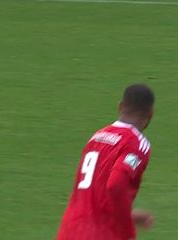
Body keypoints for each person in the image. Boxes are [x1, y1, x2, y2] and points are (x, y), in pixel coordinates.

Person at [57, 84, 155, 240]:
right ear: (150, 114)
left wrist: (129, 216)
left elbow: (93, 195)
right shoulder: (136, 144)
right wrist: (127, 231)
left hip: (70, 231)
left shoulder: (97, 137)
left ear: (121, 106)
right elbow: (116, 185)